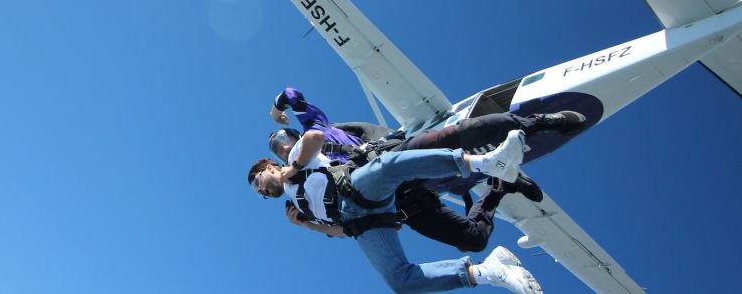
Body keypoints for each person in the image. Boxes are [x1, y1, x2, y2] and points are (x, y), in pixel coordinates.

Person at [267, 87, 586, 252]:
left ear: (293, 134)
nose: (281, 145)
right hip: (398, 203)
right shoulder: (300, 190)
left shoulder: (317, 128)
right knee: (472, 240)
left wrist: (276, 108)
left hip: (389, 161)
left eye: (282, 138)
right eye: (275, 147)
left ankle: (539, 123)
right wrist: (309, 225)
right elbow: (345, 227)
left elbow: (292, 94)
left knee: (457, 134)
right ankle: (500, 186)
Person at [247, 129, 542, 293]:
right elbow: (338, 231)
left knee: (389, 167)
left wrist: (294, 168)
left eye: (258, 182)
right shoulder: (298, 209)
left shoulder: (292, 163)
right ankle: (489, 272)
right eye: (258, 193)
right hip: (362, 223)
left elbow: (314, 136)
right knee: (399, 281)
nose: (261, 191)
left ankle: (485, 163)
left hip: (355, 188)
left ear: (269, 167)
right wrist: (311, 227)